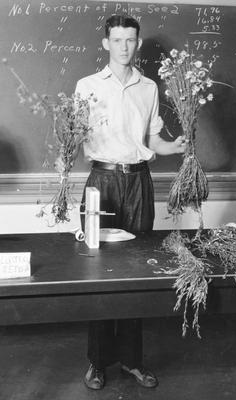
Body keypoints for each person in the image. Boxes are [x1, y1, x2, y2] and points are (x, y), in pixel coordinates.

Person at [75, 15, 186, 391]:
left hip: (138, 180)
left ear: (137, 43)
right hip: (102, 181)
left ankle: (133, 361)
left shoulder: (149, 87)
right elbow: (75, 134)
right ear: (105, 44)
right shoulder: (86, 86)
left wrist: (172, 147)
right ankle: (97, 362)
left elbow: (152, 140)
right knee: (99, 271)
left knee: (138, 269)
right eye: (117, 40)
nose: (124, 47)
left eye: (130, 40)